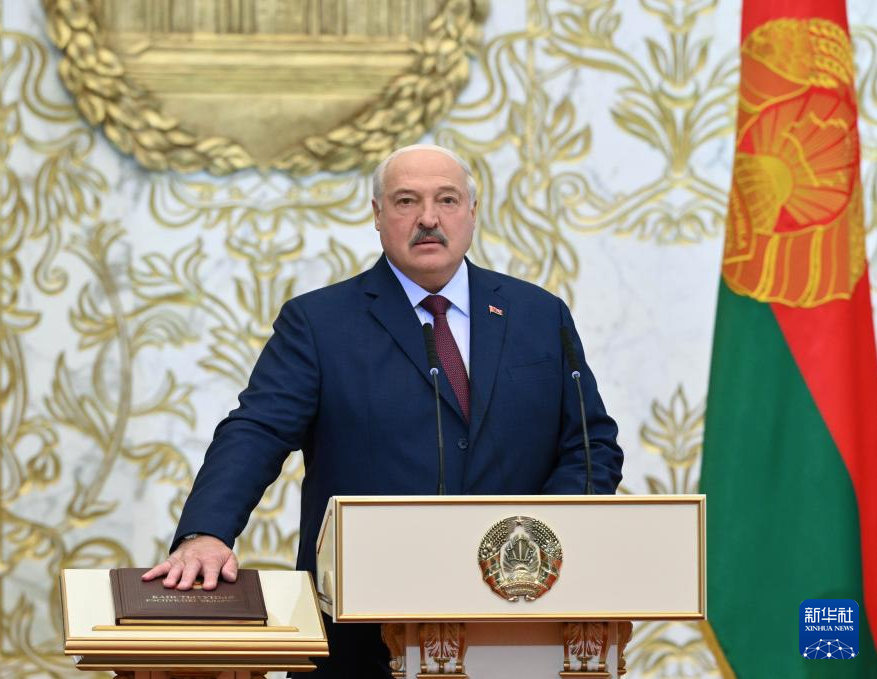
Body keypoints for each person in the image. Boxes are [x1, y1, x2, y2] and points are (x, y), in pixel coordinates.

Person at [143, 144, 624, 677]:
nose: (428, 218)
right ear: (377, 214)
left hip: (519, 625)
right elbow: (256, 431)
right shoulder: (319, 323)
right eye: (406, 201)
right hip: (363, 634)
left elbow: (590, 445)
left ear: (472, 212)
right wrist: (207, 532)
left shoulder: (538, 314)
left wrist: (544, 535)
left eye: (447, 200)